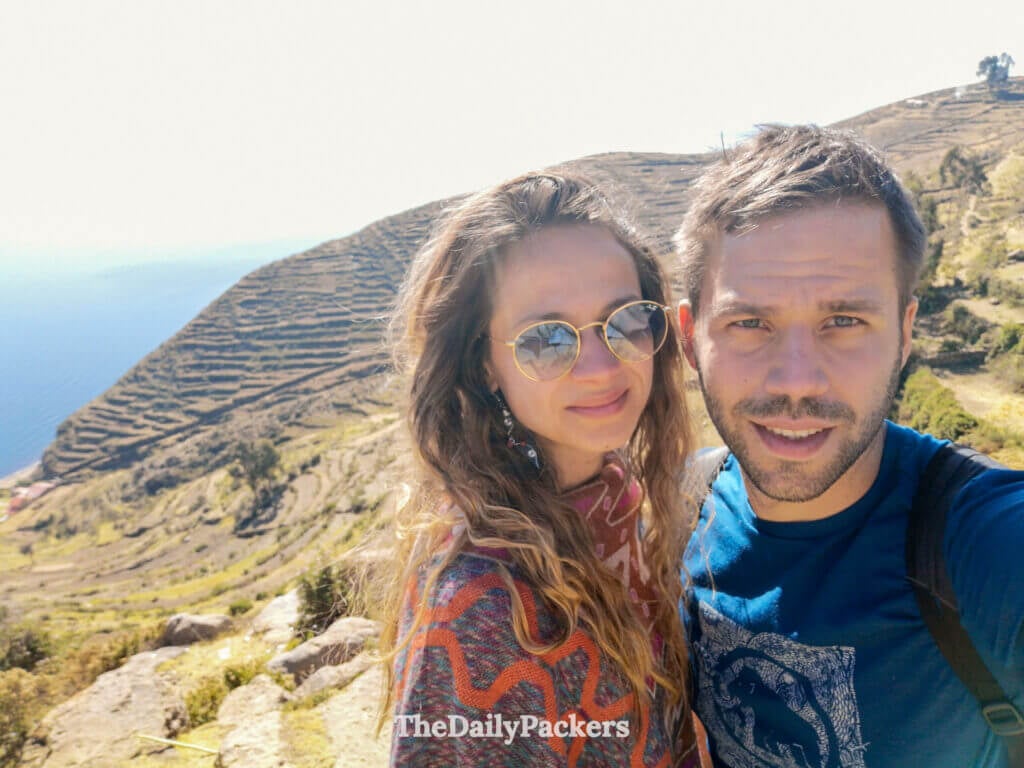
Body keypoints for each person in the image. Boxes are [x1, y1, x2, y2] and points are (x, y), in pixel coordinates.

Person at [674, 124, 1024, 767]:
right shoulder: (679, 512)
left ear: (905, 332)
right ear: (692, 336)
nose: (798, 380)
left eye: (844, 321)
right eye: (750, 322)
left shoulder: (987, 543)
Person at [376, 170, 702, 766]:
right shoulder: (480, 611)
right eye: (546, 339)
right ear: (484, 366)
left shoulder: (620, 501)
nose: (602, 367)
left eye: (626, 319)